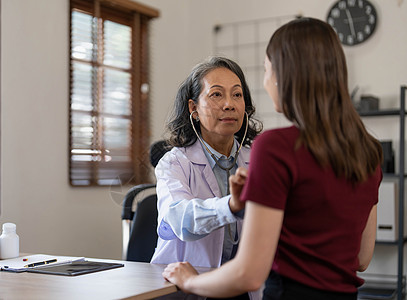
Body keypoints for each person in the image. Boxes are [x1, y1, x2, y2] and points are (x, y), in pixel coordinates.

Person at [162, 17, 383, 300]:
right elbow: (362, 258)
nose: (265, 83)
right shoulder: (369, 151)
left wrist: (191, 281)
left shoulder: (274, 148)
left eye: (266, 70)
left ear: (283, 75)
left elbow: (249, 273)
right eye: (217, 94)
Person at [150, 56, 262, 299]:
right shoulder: (174, 163)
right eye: (216, 95)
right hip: (181, 288)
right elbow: (180, 219)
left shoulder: (258, 161)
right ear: (193, 109)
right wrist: (231, 206)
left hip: (240, 287)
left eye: (237, 95)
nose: (229, 104)